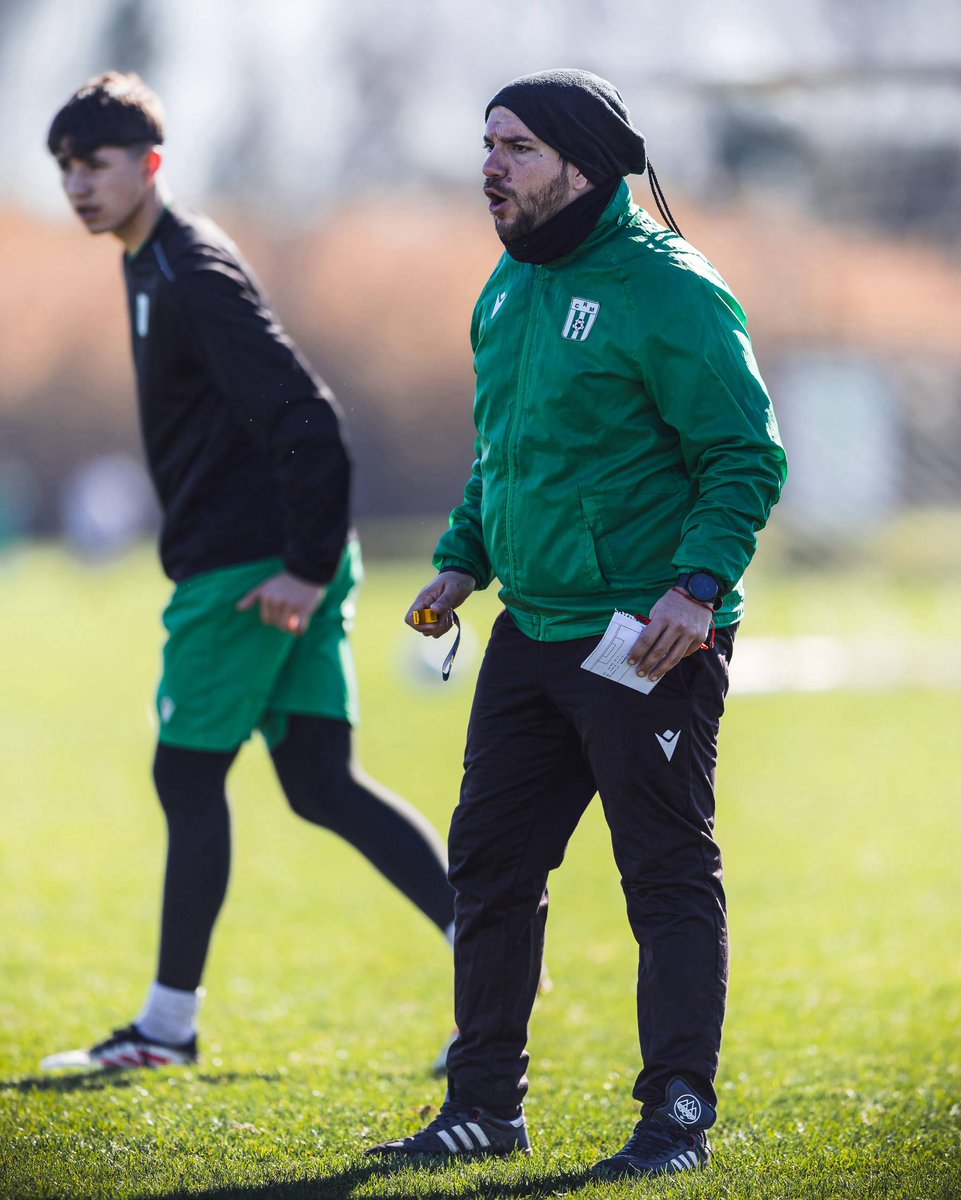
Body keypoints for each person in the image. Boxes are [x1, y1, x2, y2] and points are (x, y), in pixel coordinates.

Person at [366, 68, 787, 1178]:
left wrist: (695, 590)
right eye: (487, 143)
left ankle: (678, 1115)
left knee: (662, 870)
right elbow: (504, 453)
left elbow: (745, 454)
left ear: (583, 164)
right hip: (529, 631)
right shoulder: (505, 287)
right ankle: (482, 1107)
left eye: (515, 147)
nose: (490, 166)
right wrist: (462, 561)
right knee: (489, 866)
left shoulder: (673, 293)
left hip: (648, 639)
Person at [43, 72, 455, 1071]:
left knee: (184, 774)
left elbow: (310, 422)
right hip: (277, 557)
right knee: (321, 782)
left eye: (94, 165)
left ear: (149, 164)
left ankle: (166, 1029)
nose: (76, 186)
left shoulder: (190, 270)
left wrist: (306, 570)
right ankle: (489, 956)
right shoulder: (148, 262)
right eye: (62, 169)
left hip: (254, 570)